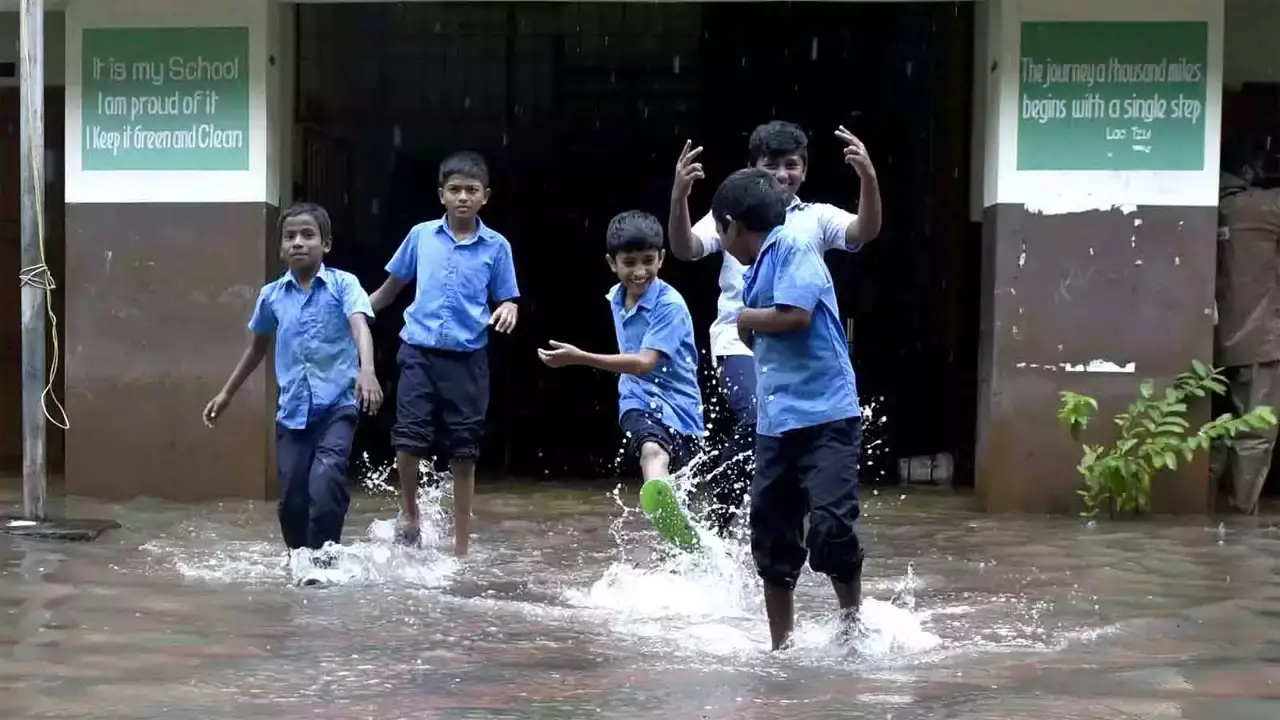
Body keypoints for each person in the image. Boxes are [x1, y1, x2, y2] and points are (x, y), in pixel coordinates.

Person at [667, 120, 881, 535]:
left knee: (789, 438)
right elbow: (685, 249)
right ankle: (716, 508)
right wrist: (679, 197)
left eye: (792, 164)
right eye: (771, 165)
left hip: (797, 356)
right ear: (752, 167)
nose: (783, 174)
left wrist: (868, 177)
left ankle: (772, 523)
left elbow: (864, 230)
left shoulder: (814, 218)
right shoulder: (735, 212)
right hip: (739, 343)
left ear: (805, 169)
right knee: (760, 420)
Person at [711, 168, 865, 651]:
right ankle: (782, 648)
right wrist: (749, 324)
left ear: (733, 225)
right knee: (773, 534)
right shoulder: (757, 266)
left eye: (720, 230)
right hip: (777, 423)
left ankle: (851, 623)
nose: (721, 240)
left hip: (827, 418)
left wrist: (744, 318)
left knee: (832, 527)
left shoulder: (794, 245)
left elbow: (795, 316)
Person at [203, 201, 382, 561]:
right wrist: (226, 394)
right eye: (290, 237)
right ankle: (299, 560)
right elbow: (257, 349)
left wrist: (367, 369)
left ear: (325, 244)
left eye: (308, 235)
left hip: (337, 407)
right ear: (281, 247)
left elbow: (360, 325)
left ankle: (326, 558)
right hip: (292, 413)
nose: (298, 242)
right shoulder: (272, 296)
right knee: (293, 500)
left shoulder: (344, 285)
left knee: (326, 480)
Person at [369, 151, 520, 556]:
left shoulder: (497, 246)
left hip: (468, 359)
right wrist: (354, 311)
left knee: (464, 451)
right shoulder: (420, 236)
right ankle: (411, 514)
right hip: (418, 351)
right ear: (441, 195)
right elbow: (390, 289)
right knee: (408, 439)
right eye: (455, 190)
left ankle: (461, 547)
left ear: (485, 196)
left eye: (472, 190)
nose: (463, 198)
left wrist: (508, 308)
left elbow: (507, 298)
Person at [537, 210, 705, 485]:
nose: (639, 272)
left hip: (680, 406)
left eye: (648, 261)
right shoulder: (616, 297)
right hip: (636, 399)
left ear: (661, 258)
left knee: (682, 481)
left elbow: (643, 363)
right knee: (652, 450)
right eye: (629, 263)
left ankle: (669, 519)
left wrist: (580, 357)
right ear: (612, 263)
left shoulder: (670, 305)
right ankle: (663, 506)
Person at [1212, 137, 1280, 515]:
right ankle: (1240, 515)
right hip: (1259, 341)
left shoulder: (1213, 206)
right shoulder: (1262, 207)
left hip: (1215, 342)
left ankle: (1206, 510)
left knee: (1217, 429)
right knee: (1255, 430)